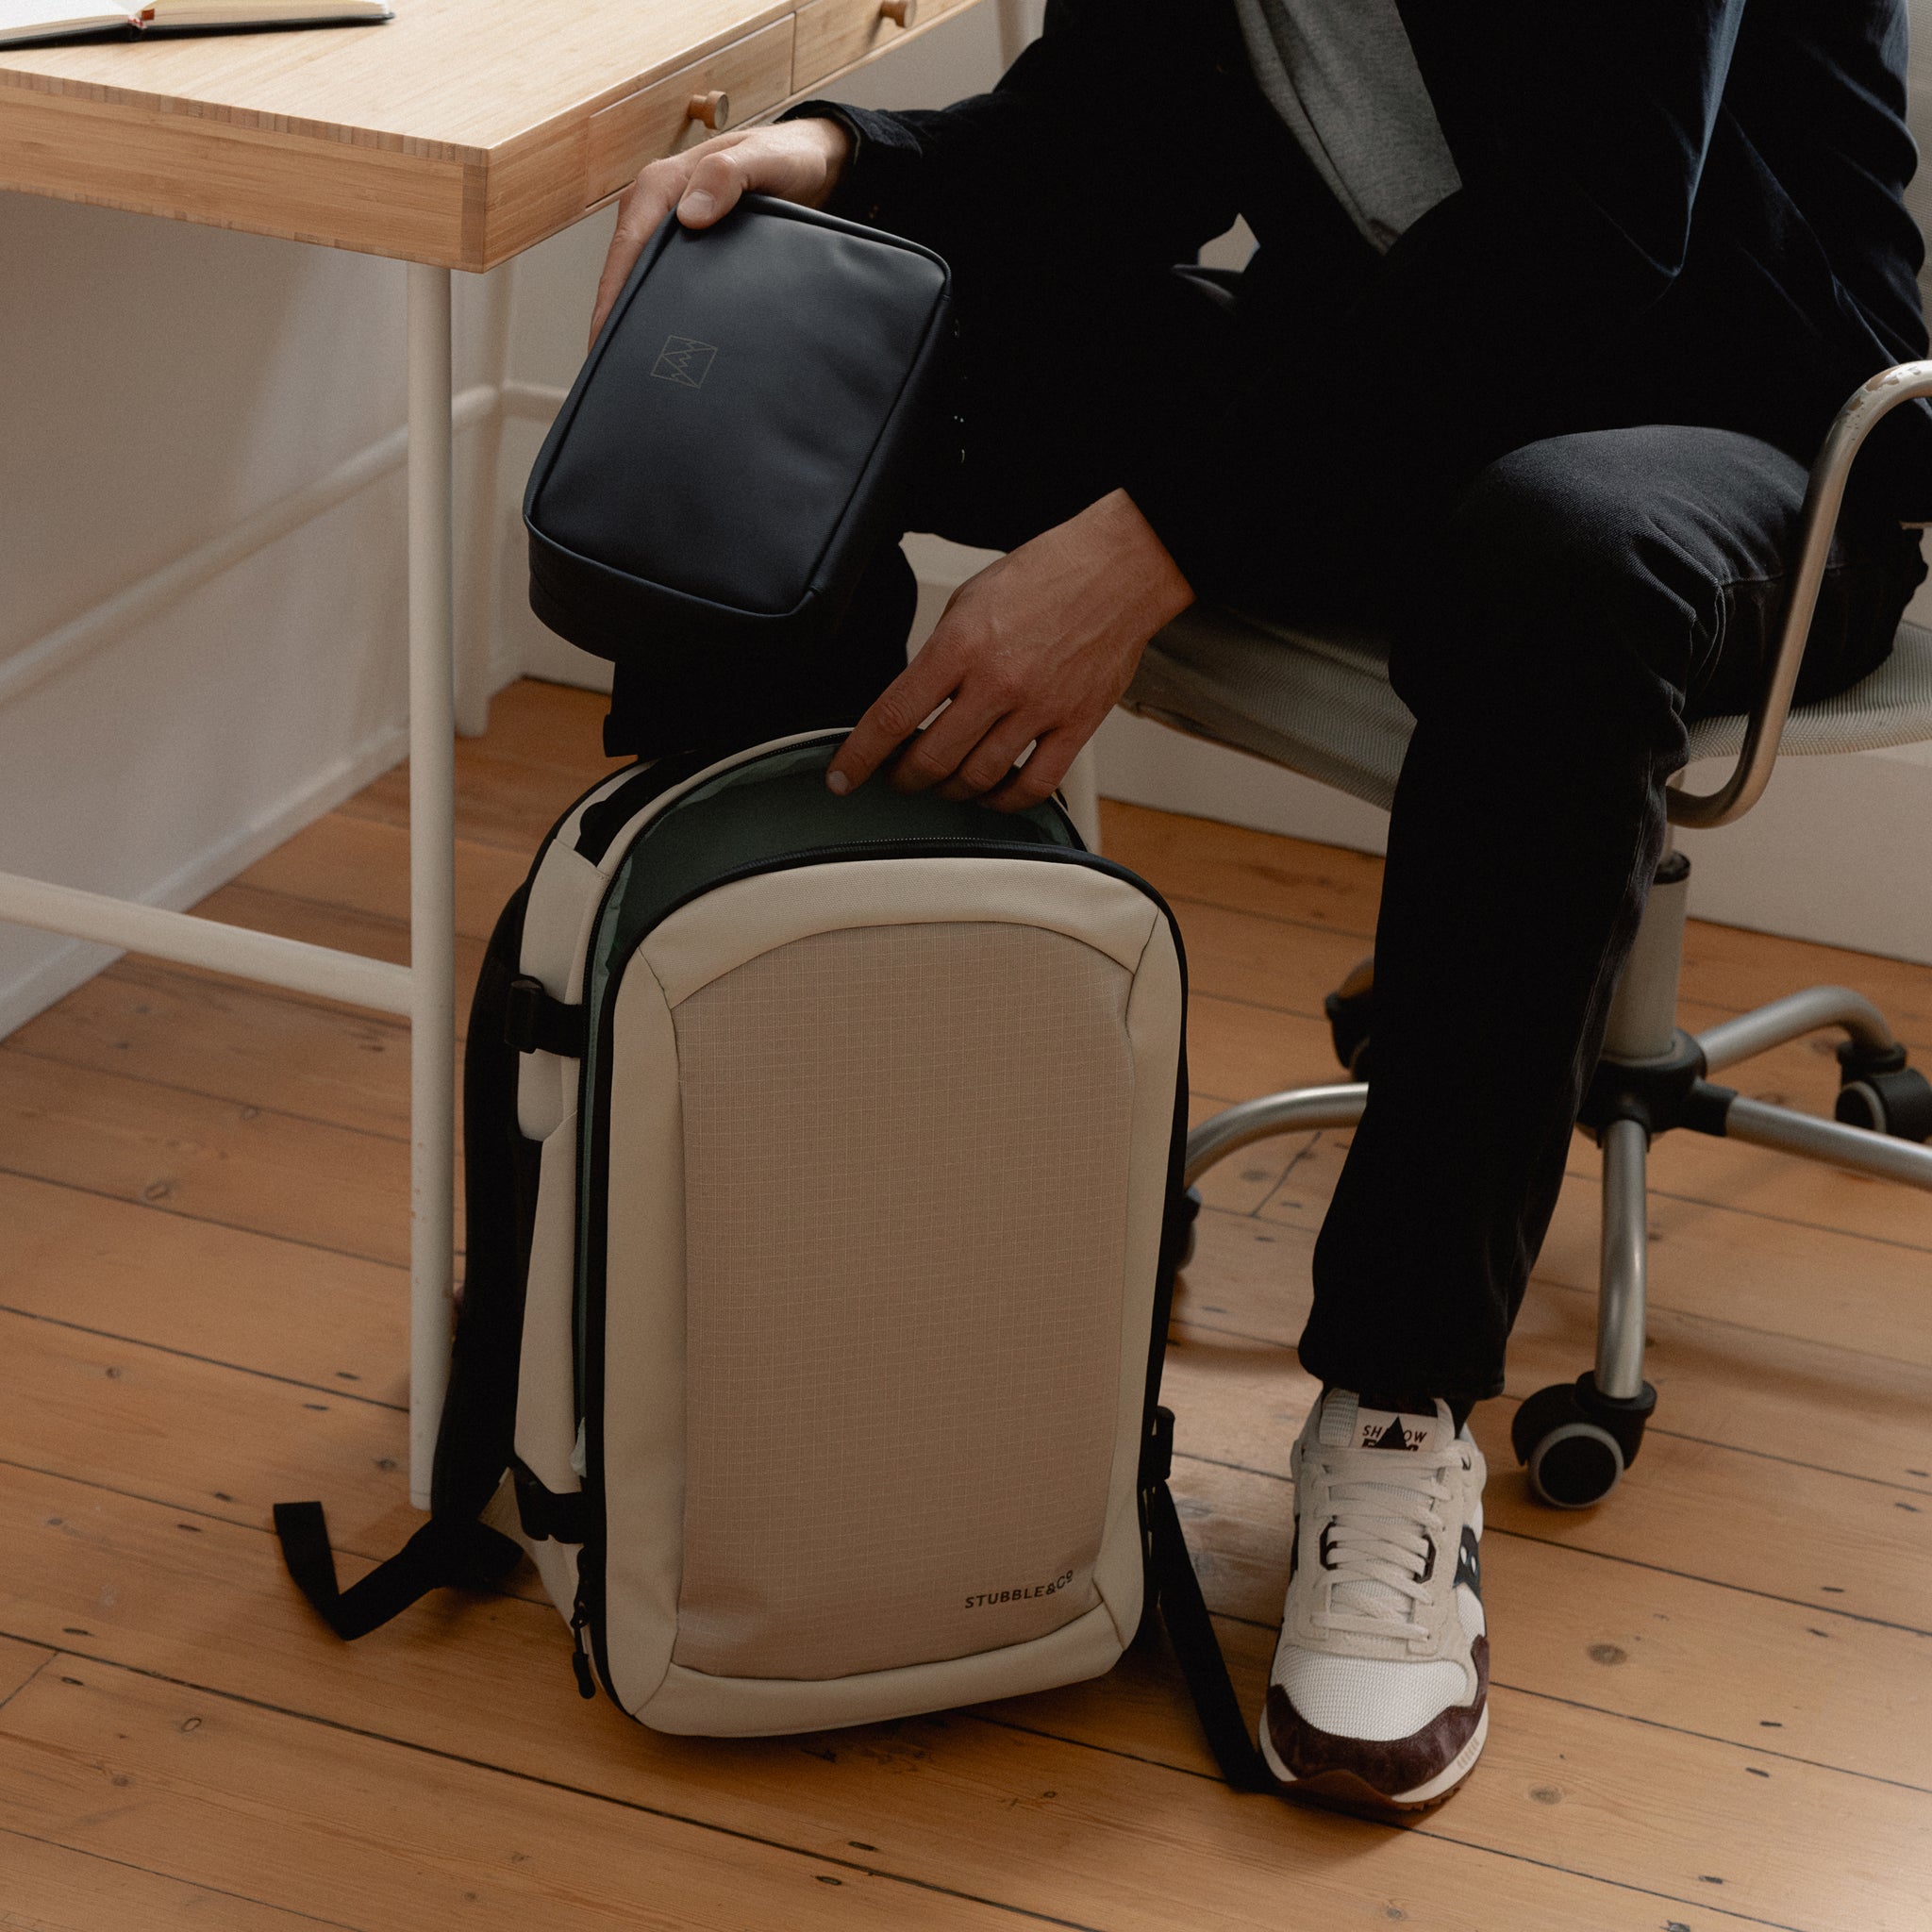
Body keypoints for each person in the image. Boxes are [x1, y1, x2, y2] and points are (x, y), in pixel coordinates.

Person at [590, 0, 1932, 1812]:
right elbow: (1101, 153)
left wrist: (1147, 544)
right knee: (795, 309)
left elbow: (1592, 241)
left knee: (1559, 555)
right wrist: (828, 166)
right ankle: (748, 1209)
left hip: (1746, 431)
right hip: (1399, 401)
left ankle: (1395, 1410)